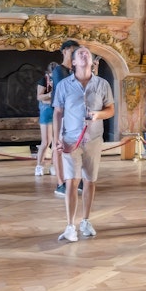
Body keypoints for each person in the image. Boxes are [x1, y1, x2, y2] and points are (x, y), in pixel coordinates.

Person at [53, 46, 114, 242]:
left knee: (90, 180)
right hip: (70, 139)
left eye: (87, 52)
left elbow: (110, 109)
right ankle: (70, 225)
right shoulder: (63, 85)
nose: (84, 54)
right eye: (80, 53)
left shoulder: (103, 84)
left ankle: (86, 221)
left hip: (94, 139)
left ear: (93, 62)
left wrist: (98, 115)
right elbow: (58, 112)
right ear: (73, 63)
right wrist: (56, 138)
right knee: (72, 181)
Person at [52, 39, 79, 197]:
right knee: (58, 146)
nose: (74, 54)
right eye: (72, 51)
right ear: (64, 52)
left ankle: (71, 178)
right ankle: (60, 182)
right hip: (61, 113)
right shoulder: (59, 71)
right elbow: (66, 91)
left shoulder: (73, 71)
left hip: (72, 115)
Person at [35, 62, 57, 177]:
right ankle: (39, 165)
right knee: (46, 141)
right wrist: (51, 95)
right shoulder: (43, 80)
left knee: (56, 141)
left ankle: (54, 166)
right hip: (46, 111)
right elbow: (39, 97)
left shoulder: (61, 79)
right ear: (49, 73)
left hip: (57, 110)